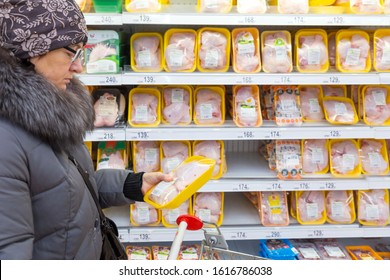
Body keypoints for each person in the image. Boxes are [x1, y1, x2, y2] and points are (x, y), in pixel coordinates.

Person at [0, 0, 172, 259]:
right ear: (33, 50)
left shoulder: (52, 111)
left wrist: (133, 184)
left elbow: (64, 193)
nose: (79, 67)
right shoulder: (6, 141)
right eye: (71, 53)